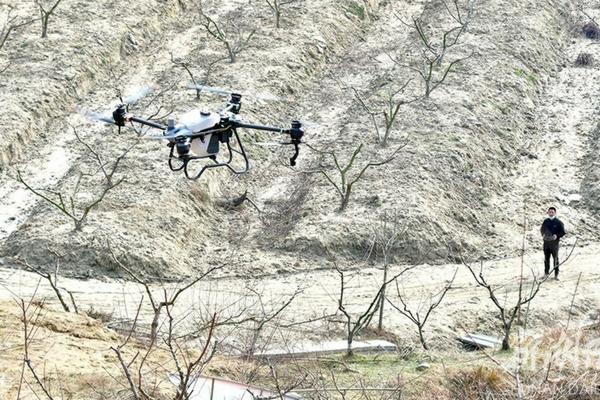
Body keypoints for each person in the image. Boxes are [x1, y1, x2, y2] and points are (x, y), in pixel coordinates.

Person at [540, 207, 566, 280]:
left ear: (555, 213)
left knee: (555, 259)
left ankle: (556, 275)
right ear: (547, 213)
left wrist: (556, 235)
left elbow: (563, 232)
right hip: (546, 243)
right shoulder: (545, 221)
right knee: (546, 259)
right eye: (549, 212)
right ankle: (546, 274)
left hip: (554, 244)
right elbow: (542, 229)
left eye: (552, 212)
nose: (551, 213)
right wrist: (543, 234)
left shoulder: (558, 222)